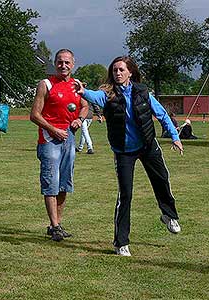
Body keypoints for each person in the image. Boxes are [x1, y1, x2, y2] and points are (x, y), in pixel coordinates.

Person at [75, 56, 183, 256]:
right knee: (125, 194)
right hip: (124, 151)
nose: (117, 73)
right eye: (115, 70)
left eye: (121, 70)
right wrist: (82, 91)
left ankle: (169, 216)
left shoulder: (143, 92)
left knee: (162, 180)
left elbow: (161, 114)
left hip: (148, 145)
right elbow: (92, 95)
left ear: (130, 72)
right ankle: (121, 243)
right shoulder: (107, 95)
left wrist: (175, 137)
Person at [30, 49, 88, 242]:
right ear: (55, 64)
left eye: (67, 62)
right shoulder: (45, 84)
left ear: (73, 64)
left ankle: (57, 225)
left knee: (64, 183)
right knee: (51, 183)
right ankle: (54, 225)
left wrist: (79, 119)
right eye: (60, 62)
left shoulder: (77, 85)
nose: (63, 66)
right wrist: (53, 129)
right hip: (49, 140)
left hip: (69, 138)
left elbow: (85, 106)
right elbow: (34, 115)